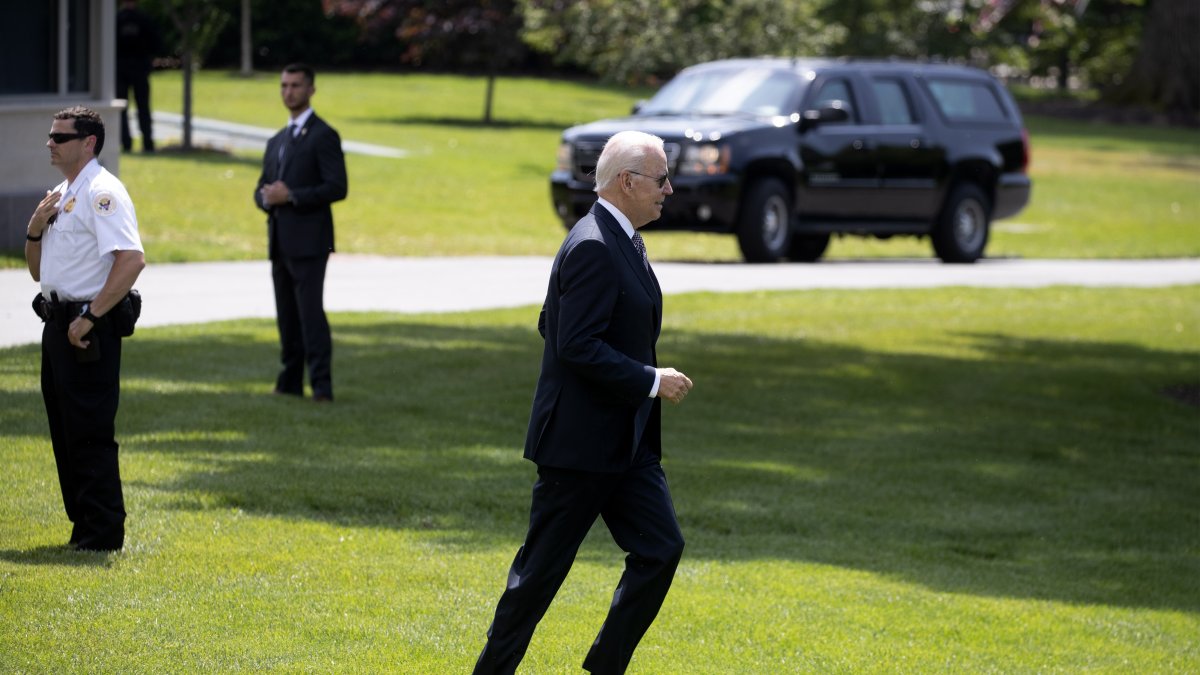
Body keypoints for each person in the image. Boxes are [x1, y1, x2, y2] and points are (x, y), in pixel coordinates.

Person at [473, 131, 694, 675]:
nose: (669, 188)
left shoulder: (621, 238)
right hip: (580, 447)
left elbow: (553, 322)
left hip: (628, 445)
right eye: (661, 178)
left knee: (660, 549)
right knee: (537, 580)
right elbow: (572, 342)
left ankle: (604, 667)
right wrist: (648, 379)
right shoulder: (594, 243)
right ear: (627, 182)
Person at [25, 106, 146, 552]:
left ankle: (102, 533)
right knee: (64, 428)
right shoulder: (61, 193)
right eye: (50, 136)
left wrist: (91, 316)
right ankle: (84, 527)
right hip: (58, 322)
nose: (50, 144)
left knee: (89, 429)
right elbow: (38, 273)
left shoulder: (102, 191)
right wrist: (35, 230)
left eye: (60, 137)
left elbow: (131, 259)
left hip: (86, 327)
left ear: (88, 142)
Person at [254, 63, 347, 403]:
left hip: (310, 242)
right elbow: (260, 186)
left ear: (311, 90)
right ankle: (289, 381)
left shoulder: (324, 135)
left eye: (295, 85)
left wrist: (291, 196)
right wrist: (266, 198)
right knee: (286, 316)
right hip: (279, 240)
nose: (288, 91)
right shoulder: (276, 140)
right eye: (283, 85)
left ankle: (321, 386)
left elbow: (337, 187)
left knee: (310, 316)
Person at [116, 0, 162, 153]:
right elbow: (156, 43)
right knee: (143, 107)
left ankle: (126, 143)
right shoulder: (144, 19)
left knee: (122, 108)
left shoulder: (116, 20)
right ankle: (148, 143)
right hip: (140, 68)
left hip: (120, 68)